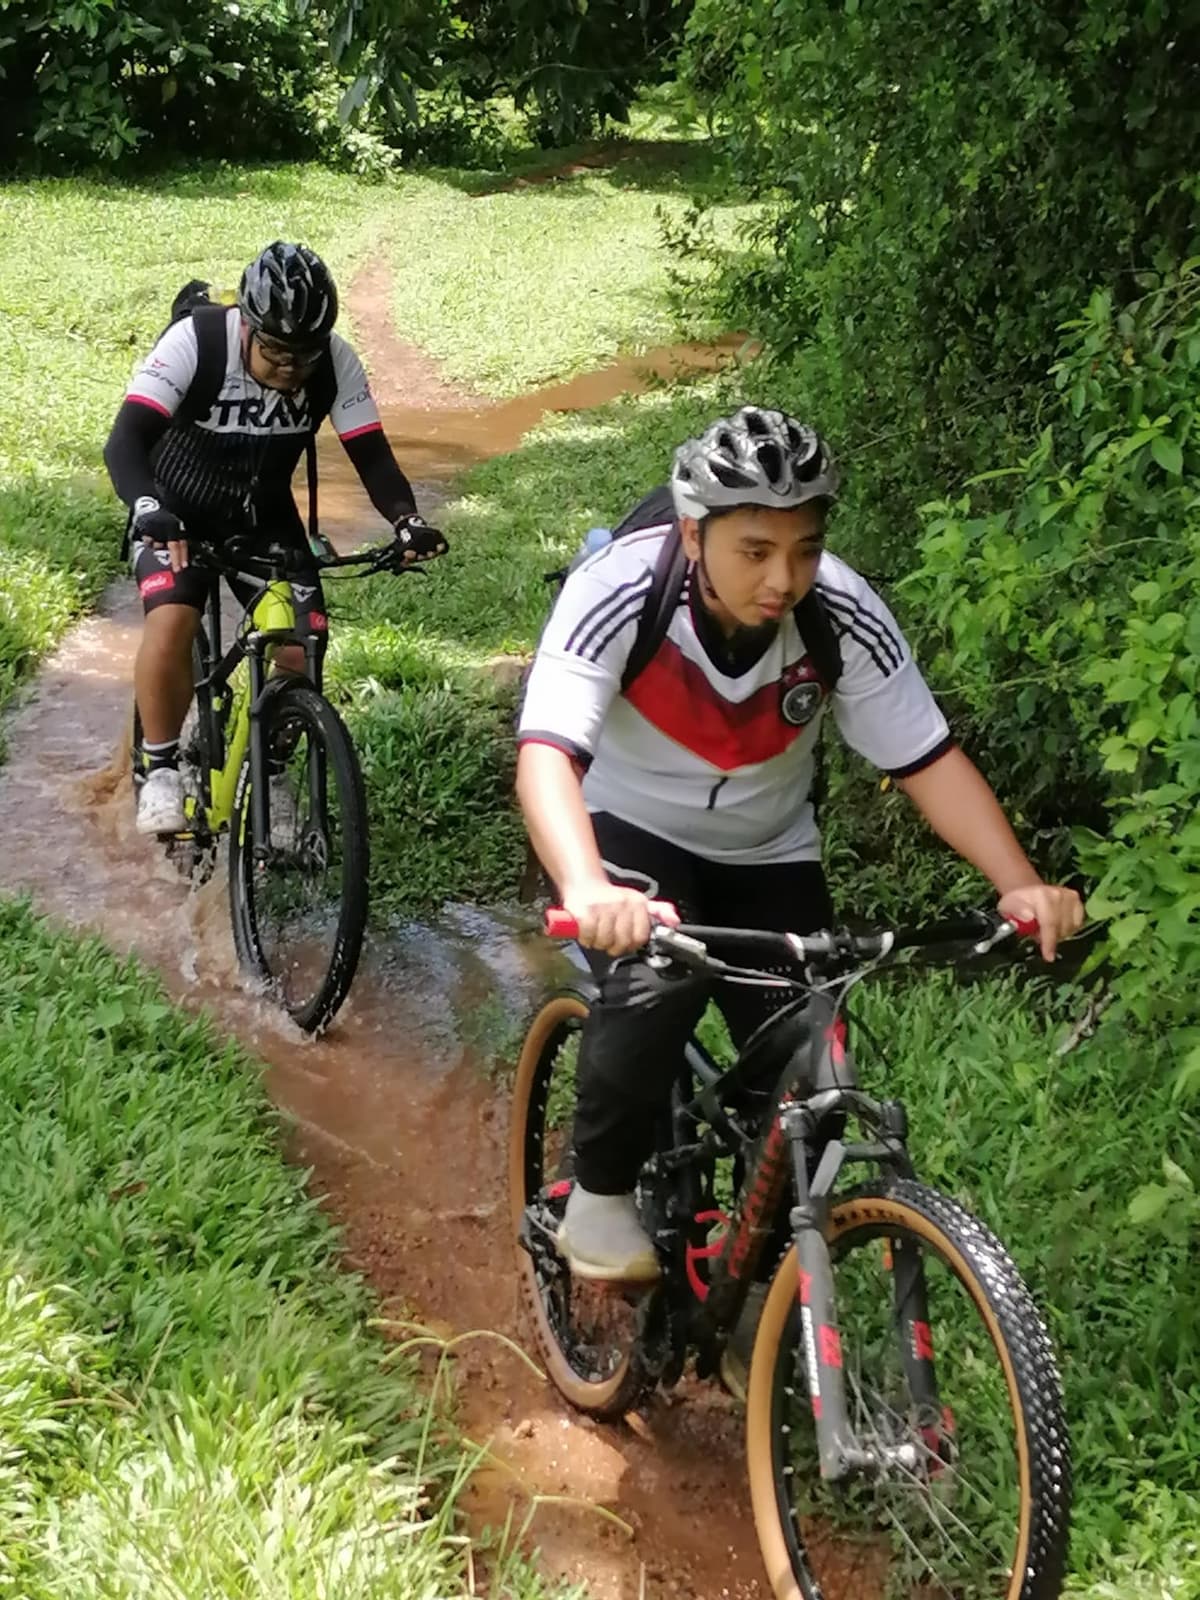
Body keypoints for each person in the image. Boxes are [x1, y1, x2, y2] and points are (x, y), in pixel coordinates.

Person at [516, 406, 1085, 1286]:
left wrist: (1020, 882)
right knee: (659, 985)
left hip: (766, 848)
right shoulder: (620, 589)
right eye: (756, 551)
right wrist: (588, 884)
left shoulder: (842, 613)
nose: (785, 578)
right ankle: (597, 1192)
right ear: (693, 533)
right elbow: (547, 753)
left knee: (807, 1072)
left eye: (807, 549)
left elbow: (926, 759)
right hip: (625, 829)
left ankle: (763, 1287)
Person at [104, 240, 448, 835]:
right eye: (276, 352)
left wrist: (406, 519)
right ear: (249, 326)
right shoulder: (198, 342)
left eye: (304, 355)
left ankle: (272, 770)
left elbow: (370, 453)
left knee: (301, 646)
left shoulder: (337, 361)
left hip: (263, 515)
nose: (290, 367)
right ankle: (159, 767)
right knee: (172, 617)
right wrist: (148, 505)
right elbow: (125, 441)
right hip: (176, 509)